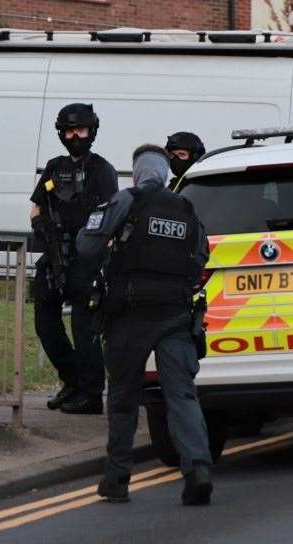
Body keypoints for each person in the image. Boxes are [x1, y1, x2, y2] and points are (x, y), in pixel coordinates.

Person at [76, 144, 213, 505]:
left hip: (129, 315)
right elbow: (201, 257)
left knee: (123, 398)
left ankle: (117, 480)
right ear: (167, 174)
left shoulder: (126, 201)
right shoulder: (185, 208)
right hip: (174, 314)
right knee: (181, 395)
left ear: (136, 173)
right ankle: (198, 469)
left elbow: (86, 247)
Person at [30, 103, 118, 414]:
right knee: (45, 324)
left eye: (80, 130)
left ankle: (92, 394)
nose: (74, 136)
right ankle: (73, 380)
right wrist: (42, 228)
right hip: (55, 256)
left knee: (84, 329)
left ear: (91, 131)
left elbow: (111, 214)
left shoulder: (102, 170)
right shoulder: (54, 168)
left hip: (88, 260)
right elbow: (37, 205)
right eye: (68, 131)